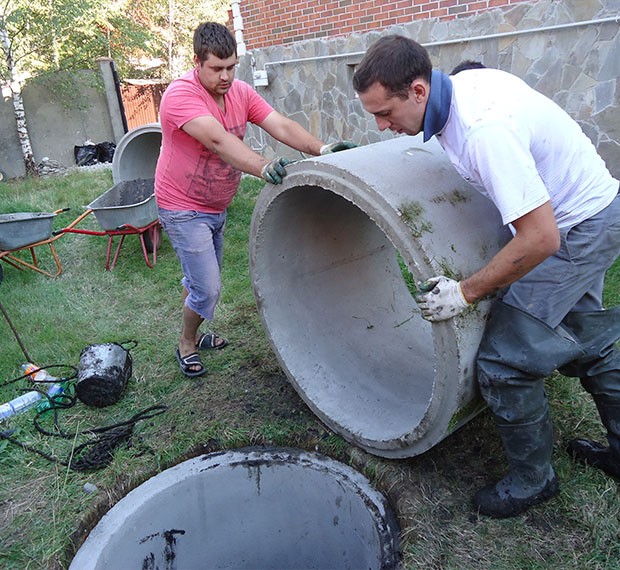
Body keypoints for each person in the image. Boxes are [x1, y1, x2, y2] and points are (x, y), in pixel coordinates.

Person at [352, 35, 620, 518]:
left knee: (504, 361)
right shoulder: (461, 87)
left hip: (577, 228)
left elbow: (540, 240)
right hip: (595, 210)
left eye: (384, 113)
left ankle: (533, 482)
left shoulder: (483, 131)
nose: (381, 125)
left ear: (417, 91)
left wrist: (465, 292)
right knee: (586, 336)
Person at [155, 22, 355, 378]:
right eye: (217, 68)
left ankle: (195, 330)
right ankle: (186, 342)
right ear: (196, 62)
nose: (226, 76)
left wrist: (321, 149)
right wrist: (263, 166)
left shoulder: (241, 93)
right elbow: (217, 141)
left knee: (199, 281)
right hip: (182, 205)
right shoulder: (180, 96)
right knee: (208, 287)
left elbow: (279, 124)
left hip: (216, 204)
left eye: (231, 66)